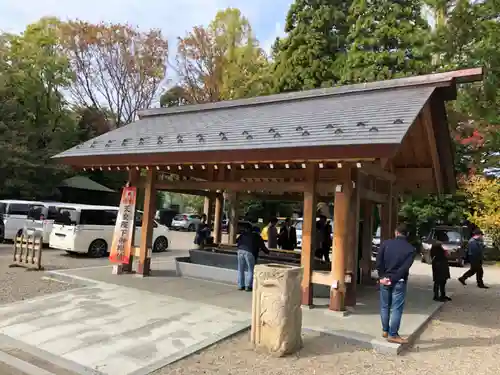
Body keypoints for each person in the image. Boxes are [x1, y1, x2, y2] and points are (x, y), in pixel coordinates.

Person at [376, 223, 415, 344]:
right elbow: (404, 268)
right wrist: (393, 279)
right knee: (396, 308)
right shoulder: (411, 249)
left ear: (396, 232)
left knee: (384, 306)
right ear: (407, 234)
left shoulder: (386, 244)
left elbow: (379, 262)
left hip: (385, 279)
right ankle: (393, 334)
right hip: (399, 281)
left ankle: (385, 330)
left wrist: (382, 276)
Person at [236, 226, 269, 291]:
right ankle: (248, 286)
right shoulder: (257, 237)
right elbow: (263, 247)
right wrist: (267, 252)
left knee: (240, 269)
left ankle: (240, 286)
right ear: (258, 232)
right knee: (251, 270)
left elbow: (237, 241)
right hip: (249, 252)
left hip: (240, 250)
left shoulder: (244, 234)